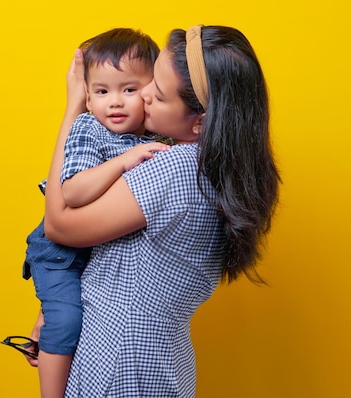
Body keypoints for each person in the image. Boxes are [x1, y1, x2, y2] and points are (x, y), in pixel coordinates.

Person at [31, 24, 280, 397]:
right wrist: (54, 308)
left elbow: (59, 225)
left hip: (118, 364)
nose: (142, 94)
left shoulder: (175, 169)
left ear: (200, 121)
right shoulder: (217, 169)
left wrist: (73, 111)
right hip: (163, 361)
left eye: (159, 95)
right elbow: (112, 259)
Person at [20, 28, 164, 398]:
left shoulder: (154, 135)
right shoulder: (89, 128)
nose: (114, 102)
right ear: (86, 94)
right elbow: (72, 191)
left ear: (152, 90)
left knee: (62, 317)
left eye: (128, 89)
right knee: (65, 322)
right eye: (102, 91)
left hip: (93, 250)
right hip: (60, 254)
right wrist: (124, 160)